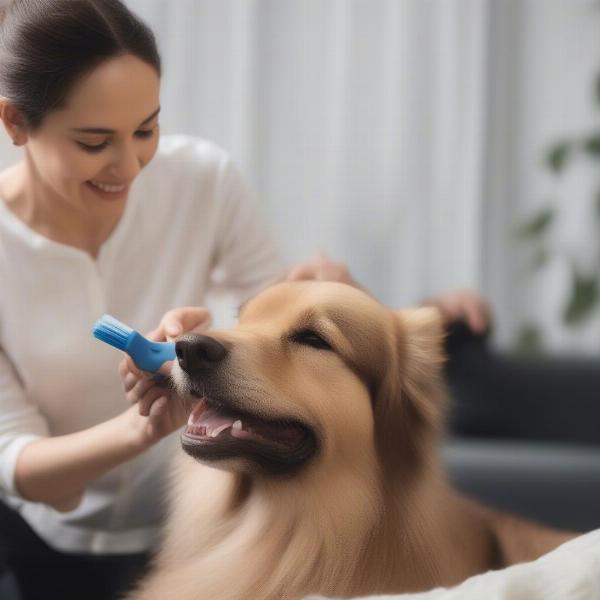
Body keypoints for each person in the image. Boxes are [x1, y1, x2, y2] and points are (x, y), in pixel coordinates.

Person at [0, 1, 489, 599]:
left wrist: (410, 313)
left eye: (146, 129)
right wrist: (139, 429)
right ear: (15, 122)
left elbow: (281, 328)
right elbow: (15, 462)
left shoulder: (203, 179)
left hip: (202, 527)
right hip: (48, 552)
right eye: (95, 141)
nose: (128, 165)